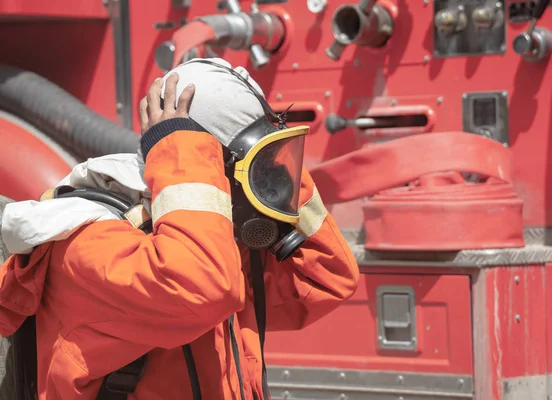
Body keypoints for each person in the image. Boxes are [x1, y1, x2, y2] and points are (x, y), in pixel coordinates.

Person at [0, 57, 359, 400]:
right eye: (258, 167)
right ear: (204, 162)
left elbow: (326, 279)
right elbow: (200, 290)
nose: (269, 180)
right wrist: (181, 150)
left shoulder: (208, 234)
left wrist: (281, 177)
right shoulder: (91, 242)